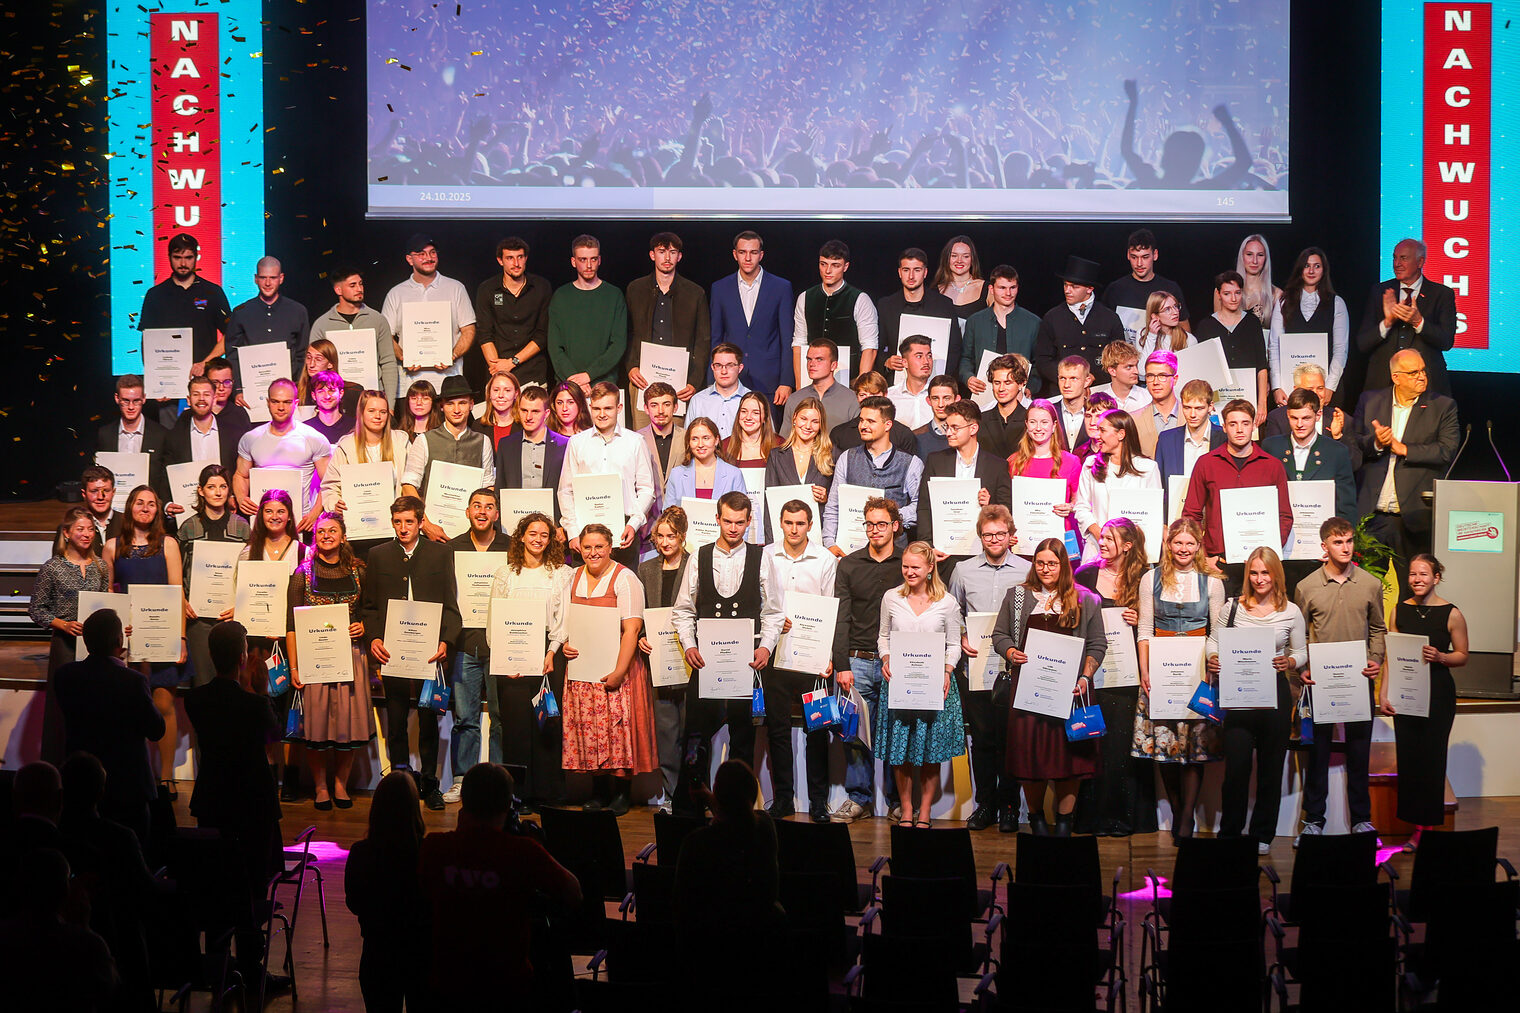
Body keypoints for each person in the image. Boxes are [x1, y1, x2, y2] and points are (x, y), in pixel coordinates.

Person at [418, 764, 582, 1005]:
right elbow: (573, 893)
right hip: (509, 987)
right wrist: (539, 848)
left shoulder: (434, 847)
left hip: (447, 985)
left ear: (464, 801)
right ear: (508, 804)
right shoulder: (524, 852)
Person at [183, 620, 285, 993]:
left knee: (215, 882)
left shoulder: (195, 700)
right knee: (254, 887)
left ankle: (219, 965)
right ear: (243, 657)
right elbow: (274, 734)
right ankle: (252, 972)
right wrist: (260, 690)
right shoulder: (255, 704)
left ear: (211, 655)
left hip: (214, 800)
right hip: (253, 804)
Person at [671, 494, 782, 813]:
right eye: (728, 521)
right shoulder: (700, 556)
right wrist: (689, 645)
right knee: (695, 737)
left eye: (740, 522)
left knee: (743, 739)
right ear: (717, 519)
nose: (733, 528)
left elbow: (774, 612)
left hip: (745, 662)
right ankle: (690, 805)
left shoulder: (761, 558)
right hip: (705, 661)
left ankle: (737, 809)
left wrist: (766, 646)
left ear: (749, 522)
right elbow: (683, 610)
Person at [992, 538, 1106, 837]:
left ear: (1063, 565)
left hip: (1071, 692)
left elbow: (1097, 644)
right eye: (1040, 563)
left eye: (1052, 563)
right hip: (1028, 692)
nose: (1045, 569)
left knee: (1070, 759)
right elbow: (999, 635)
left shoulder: (1086, 598)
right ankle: (1036, 818)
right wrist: (1010, 652)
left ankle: (1065, 821)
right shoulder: (1017, 596)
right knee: (1030, 758)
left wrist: (1085, 677)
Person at [362, 495, 462, 811]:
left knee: (429, 717)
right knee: (395, 720)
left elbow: (451, 604)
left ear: (420, 522)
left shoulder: (441, 553)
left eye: (409, 522)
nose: (403, 528)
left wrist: (446, 641)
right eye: (398, 522)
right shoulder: (378, 555)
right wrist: (374, 638)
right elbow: (369, 606)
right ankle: (400, 783)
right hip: (392, 650)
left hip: (428, 650)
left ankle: (430, 784)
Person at [550, 523, 657, 815]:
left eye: (599, 547)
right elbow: (567, 622)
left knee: (617, 729)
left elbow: (631, 629)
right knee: (590, 730)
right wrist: (567, 643)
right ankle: (598, 791)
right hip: (583, 670)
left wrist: (620, 672)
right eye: (587, 547)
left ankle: (621, 793)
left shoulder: (625, 578)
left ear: (610, 548)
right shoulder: (573, 577)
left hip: (616, 667)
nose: (593, 552)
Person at [1207, 545, 1307, 853]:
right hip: (1238, 695)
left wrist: (1290, 662)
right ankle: (1230, 834)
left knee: (1271, 769)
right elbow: (1213, 641)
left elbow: (1301, 651)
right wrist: (1213, 658)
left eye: (1265, 572)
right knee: (1236, 770)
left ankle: (1263, 835)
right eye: (1254, 572)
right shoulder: (1232, 608)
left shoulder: (1291, 611)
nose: (1259, 578)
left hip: (1275, 693)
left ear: (1276, 575)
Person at [1295, 517, 1387, 845]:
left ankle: (1361, 820)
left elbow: (1378, 628)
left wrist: (1376, 658)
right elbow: (1300, 634)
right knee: (1318, 753)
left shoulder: (1370, 584)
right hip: (1321, 682)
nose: (1345, 547)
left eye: (1348, 541)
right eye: (1338, 542)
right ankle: (1313, 821)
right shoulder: (1306, 586)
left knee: (1359, 752)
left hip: (1358, 679)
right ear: (1325, 546)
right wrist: (1304, 666)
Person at [1134, 519, 1226, 843]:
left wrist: (1211, 669)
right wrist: (1145, 671)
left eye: (1190, 543)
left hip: (1197, 669)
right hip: (1162, 668)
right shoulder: (1151, 579)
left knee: (1194, 747)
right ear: (1169, 545)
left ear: (1198, 546)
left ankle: (1187, 818)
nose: (1184, 549)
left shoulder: (1212, 583)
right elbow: (1145, 630)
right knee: (1165, 744)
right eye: (1178, 543)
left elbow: (1217, 632)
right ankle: (1176, 810)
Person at [673, 759, 785, 1008]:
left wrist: (709, 800)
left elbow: (683, 908)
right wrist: (713, 800)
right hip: (760, 955)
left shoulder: (696, 844)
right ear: (753, 795)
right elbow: (741, 819)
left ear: (718, 794)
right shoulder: (764, 829)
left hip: (707, 963)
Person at [1073, 518, 1157, 837]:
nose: (1103, 542)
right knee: (1093, 744)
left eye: (1110, 538)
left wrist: (1141, 619)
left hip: (1127, 674)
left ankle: (1123, 818)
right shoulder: (1085, 574)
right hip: (1093, 673)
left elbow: (1157, 623)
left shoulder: (1144, 578)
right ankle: (1092, 819)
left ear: (1128, 545)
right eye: (1103, 537)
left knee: (1121, 747)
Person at [948, 505, 1029, 832]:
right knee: (981, 740)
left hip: (1014, 670)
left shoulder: (1027, 570)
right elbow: (952, 612)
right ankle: (985, 805)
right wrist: (961, 635)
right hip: (976, 668)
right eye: (987, 534)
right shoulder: (963, 570)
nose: (994, 539)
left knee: (1011, 740)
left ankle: (1010, 806)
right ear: (980, 536)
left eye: (1000, 534)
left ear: (1010, 535)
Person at [1353, 349, 1460, 593]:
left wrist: (1404, 449)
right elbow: (1355, 444)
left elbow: (1447, 450)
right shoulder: (1370, 400)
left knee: (1413, 592)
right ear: (1396, 377)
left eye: (1423, 370)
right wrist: (1376, 443)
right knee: (1362, 590)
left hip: (1412, 517)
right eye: (1413, 372)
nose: (1422, 376)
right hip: (1372, 517)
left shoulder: (1442, 406)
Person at [1381, 554, 1469, 852]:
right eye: (1413, 574)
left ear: (1436, 577)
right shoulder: (1399, 611)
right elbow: (1392, 656)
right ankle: (1414, 826)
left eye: (1423, 574)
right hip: (1406, 694)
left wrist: (1441, 657)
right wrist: (1384, 693)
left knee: (1432, 761)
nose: (1417, 579)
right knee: (1410, 761)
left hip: (1439, 696)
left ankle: (1425, 830)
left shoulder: (1452, 613)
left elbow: (1462, 655)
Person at [287, 511, 374, 809]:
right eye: (321, 531)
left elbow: (371, 612)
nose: (326, 535)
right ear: (315, 537)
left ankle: (340, 784)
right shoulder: (302, 573)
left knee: (349, 724)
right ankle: (321, 786)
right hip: (314, 658)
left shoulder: (358, 571)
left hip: (351, 657)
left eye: (332, 530)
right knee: (317, 724)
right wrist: (294, 666)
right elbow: (291, 624)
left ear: (343, 536)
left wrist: (363, 626)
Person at [52, 608, 163, 842]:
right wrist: (145, 685)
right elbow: (156, 730)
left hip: (81, 784)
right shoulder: (133, 680)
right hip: (127, 788)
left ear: (86, 641)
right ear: (119, 641)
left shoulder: (65, 675)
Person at [876, 540, 965, 827]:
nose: (909, 572)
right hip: (898, 683)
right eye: (905, 566)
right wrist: (886, 658)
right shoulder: (891, 598)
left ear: (929, 568)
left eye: (915, 567)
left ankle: (924, 811)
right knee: (899, 750)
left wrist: (947, 670)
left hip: (934, 685)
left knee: (930, 750)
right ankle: (905, 808)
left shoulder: (947, 602)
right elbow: (883, 636)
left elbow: (954, 644)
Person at [760, 499, 838, 821]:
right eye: (789, 523)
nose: (794, 529)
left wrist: (828, 656)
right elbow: (763, 601)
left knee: (816, 729)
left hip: (813, 656)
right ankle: (783, 800)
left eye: (800, 523)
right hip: (777, 653)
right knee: (777, 730)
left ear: (810, 525)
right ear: (780, 522)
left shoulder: (824, 559)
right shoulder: (766, 555)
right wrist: (774, 624)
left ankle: (818, 802)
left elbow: (831, 606)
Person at [104, 485, 185, 792]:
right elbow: (108, 594)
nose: (146, 508)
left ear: (157, 511)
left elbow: (178, 593)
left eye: (151, 504)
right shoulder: (112, 546)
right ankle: (135, 776)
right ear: (130, 507)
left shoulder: (168, 544)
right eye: (140, 502)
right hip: (127, 640)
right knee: (128, 710)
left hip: (162, 636)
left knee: (164, 705)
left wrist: (181, 638)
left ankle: (166, 777)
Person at [831, 497, 906, 822]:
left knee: (894, 732)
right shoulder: (849, 565)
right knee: (854, 734)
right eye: (870, 524)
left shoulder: (907, 562)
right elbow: (841, 618)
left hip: (897, 662)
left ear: (895, 526)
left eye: (881, 524)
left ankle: (897, 800)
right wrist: (842, 665)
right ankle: (858, 799)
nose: (875, 530)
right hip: (857, 660)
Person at [489, 512, 571, 808]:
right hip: (512, 654)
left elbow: (563, 619)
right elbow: (493, 620)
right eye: (532, 533)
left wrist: (552, 651)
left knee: (546, 724)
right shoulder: (505, 574)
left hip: (549, 654)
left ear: (551, 540)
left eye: (544, 535)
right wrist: (505, 659)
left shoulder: (560, 573)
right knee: (516, 727)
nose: (538, 539)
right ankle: (519, 794)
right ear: (521, 536)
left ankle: (548, 794)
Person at [1182, 398, 1293, 595]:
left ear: (1254, 426)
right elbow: (1191, 514)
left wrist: (1270, 552)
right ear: (1224, 427)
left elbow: (1284, 516)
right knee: (1220, 614)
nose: (1239, 429)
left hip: (1261, 565)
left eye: (1245, 423)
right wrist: (1203, 556)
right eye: (1233, 424)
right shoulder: (1206, 463)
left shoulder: (1272, 465)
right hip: (1219, 562)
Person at [30, 507, 111, 766]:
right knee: (63, 708)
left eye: (90, 529)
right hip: (65, 646)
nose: (86, 534)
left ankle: (91, 768)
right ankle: (59, 767)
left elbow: (107, 605)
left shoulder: (100, 566)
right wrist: (63, 625)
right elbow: (36, 609)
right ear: (66, 533)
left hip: (94, 649)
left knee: (94, 706)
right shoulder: (52, 567)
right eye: (80, 529)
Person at [239, 489, 307, 798]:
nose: (275, 516)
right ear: (260, 516)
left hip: (292, 644)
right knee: (262, 713)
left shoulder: (304, 552)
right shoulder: (247, 552)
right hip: (257, 646)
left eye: (281, 511)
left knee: (290, 712)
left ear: (290, 516)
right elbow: (239, 597)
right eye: (268, 511)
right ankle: (267, 774)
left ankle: (291, 777)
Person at [444, 489, 511, 800]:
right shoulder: (452, 548)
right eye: (477, 506)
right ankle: (462, 779)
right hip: (463, 644)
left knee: (500, 717)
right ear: (468, 511)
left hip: (501, 644)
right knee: (465, 718)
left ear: (496, 514)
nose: (482, 511)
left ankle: (500, 782)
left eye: (489, 506)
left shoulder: (510, 547)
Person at [344, 770, 430, 1013]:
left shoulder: (361, 852)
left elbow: (353, 902)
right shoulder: (427, 852)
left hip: (377, 952)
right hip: (420, 955)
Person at [0, 847, 119, 1012]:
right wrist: (84, 927)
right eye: (70, 879)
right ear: (65, 890)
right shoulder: (85, 944)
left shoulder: (6, 936)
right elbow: (110, 989)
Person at [1261, 388, 1358, 584]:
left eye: (1306, 418)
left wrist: (1337, 546)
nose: (1299, 424)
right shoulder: (1271, 447)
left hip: (1320, 553)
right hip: (1281, 550)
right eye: (1294, 418)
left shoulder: (1336, 451)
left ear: (1318, 415)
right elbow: (1263, 495)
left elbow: (1346, 504)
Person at [558, 381, 657, 570]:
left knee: (624, 585)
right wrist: (572, 532)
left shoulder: (635, 442)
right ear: (590, 407)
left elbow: (646, 489)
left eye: (608, 408)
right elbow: (565, 490)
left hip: (624, 530)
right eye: (597, 408)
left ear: (619, 408)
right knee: (585, 586)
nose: (602, 414)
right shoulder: (577, 443)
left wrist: (633, 524)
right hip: (585, 529)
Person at [136, 233, 231, 420]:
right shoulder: (155, 295)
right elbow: (147, 342)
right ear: (169, 257)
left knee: (207, 434)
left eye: (188, 257)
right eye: (177, 257)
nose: (183, 263)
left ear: (196, 257)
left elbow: (231, 335)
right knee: (171, 437)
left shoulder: (213, 292)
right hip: (169, 390)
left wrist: (205, 363)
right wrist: (156, 382)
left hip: (205, 385)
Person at [637, 506, 692, 811]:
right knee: (666, 733)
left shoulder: (695, 565)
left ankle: (693, 794)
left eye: (671, 536)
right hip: (659, 661)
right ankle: (671, 795)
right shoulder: (646, 569)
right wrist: (642, 637)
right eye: (660, 536)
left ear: (682, 536)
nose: (665, 542)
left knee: (691, 732)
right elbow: (641, 612)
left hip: (690, 659)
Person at [380, 233, 476, 405]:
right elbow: (386, 335)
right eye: (421, 254)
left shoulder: (455, 288)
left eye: (432, 252)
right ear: (409, 259)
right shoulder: (396, 293)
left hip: (449, 386)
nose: (429, 258)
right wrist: (404, 357)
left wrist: (452, 355)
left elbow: (469, 330)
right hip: (410, 386)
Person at [918, 398, 1012, 573]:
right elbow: (924, 507)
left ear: (973, 428)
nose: (949, 433)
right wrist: (928, 546)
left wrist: (989, 506)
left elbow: (1007, 511)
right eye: (947, 427)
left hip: (982, 556)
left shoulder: (997, 466)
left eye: (955, 427)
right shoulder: (935, 461)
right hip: (943, 554)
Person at [1355, 238, 1459, 396]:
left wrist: (1419, 322)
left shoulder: (1442, 294)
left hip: (1426, 385)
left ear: (1420, 262)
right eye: (1395, 258)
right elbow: (1362, 343)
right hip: (1382, 386)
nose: (1397, 264)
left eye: (1403, 258)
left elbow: (1446, 341)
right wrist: (1387, 322)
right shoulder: (1380, 292)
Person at [400, 375, 497, 543]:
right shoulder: (424, 440)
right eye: (450, 403)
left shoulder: (483, 441)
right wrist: (426, 525)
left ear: (471, 404)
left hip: (472, 533)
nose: (456, 409)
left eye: (462, 403)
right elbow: (408, 486)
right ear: (441, 406)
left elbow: (488, 487)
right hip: (431, 532)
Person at [177, 464, 251, 684]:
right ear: (201, 491)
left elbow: (250, 575)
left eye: (223, 486)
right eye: (211, 487)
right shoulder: (188, 527)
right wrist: (182, 600)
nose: (218, 492)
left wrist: (240, 606)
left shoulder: (242, 527)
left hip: (231, 618)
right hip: (198, 619)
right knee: (203, 682)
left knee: (232, 682)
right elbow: (177, 572)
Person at [626, 232, 710, 418]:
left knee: (676, 434)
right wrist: (631, 366)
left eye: (672, 252)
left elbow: (702, 341)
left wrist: (694, 381)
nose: (667, 258)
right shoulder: (635, 289)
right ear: (652, 255)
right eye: (662, 252)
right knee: (642, 433)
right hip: (643, 379)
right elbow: (628, 333)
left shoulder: (695, 293)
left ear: (679, 256)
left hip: (680, 383)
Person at [232, 377, 331, 532]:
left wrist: (314, 513)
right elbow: (241, 475)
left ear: (296, 403)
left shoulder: (313, 438)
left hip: (299, 523)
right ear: (268, 402)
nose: (280, 407)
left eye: (287, 402)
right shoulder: (251, 438)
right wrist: (241, 498)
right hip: (262, 522)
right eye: (275, 401)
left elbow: (329, 482)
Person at [824, 397, 922, 552]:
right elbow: (834, 505)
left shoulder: (910, 463)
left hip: (895, 553)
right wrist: (829, 542)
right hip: (852, 549)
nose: (863, 426)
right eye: (861, 420)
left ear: (887, 425)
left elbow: (920, 506)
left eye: (870, 421)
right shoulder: (847, 458)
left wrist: (889, 517)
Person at [321, 390, 411, 558]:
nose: (378, 416)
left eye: (383, 412)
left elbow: (411, 483)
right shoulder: (346, 446)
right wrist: (335, 504)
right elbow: (330, 487)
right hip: (358, 533)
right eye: (372, 411)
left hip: (394, 530)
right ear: (361, 413)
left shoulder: (401, 442)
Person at [710, 230, 795, 409]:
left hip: (770, 381)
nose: (748, 258)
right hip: (731, 380)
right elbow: (716, 338)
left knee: (769, 427)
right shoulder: (720, 288)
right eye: (743, 252)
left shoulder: (781, 287)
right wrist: (712, 381)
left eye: (753, 252)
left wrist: (786, 381)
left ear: (761, 255)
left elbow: (787, 337)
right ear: (735, 254)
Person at [1074, 409, 1162, 565]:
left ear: (1121, 434)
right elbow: (1081, 507)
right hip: (1097, 549)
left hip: (1132, 553)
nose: (1097, 435)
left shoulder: (1148, 468)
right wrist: (1102, 536)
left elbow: (1153, 515)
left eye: (1102, 430)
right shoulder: (1090, 465)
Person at [309, 264, 401, 404]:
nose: (359, 289)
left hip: (372, 399)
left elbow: (388, 363)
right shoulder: (322, 324)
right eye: (353, 285)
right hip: (335, 400)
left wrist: (390, 405)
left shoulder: (377, 320)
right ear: (338, 290)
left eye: (360, 284)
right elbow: (315, 366)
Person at [1269, 247, 1351, 405]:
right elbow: (1274, 346)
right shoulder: (1284, 302)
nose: (1311, 271)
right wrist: (1277, 386)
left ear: (1324, 270)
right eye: (1307, 266)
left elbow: (1341, 349)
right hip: (1290, 389)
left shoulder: (1337, 303)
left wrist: (1329, 387)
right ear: (1300, 269)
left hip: (1326, 390)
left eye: (1317, 266)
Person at [792, 239, 879, 386]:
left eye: (835, 265)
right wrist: (800, 386)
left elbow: (869, 347)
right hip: (811, 381)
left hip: (850, 380)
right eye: (823, 264)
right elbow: (799, 345)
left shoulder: (860, 299)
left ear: (845, 266)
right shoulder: (805, 297)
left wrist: (861, 387)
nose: (828, 271)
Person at [547, 234, 627, 392]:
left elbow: (618, 345)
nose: (589, 265)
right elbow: (554, 347)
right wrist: (575, 379)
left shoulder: (614, 295)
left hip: (604, 385)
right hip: (568, 385)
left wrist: (589, 375)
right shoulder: (561, 296)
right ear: (573, 261)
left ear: (599, 260)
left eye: (593, 259)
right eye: (583, 259)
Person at [1036, 256, 1126, 389]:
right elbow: (1043, 360)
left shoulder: (1110, 318)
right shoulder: (1052, 318)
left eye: (1074, 286)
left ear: (1089, 289)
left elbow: (1119, 359)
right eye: (1065, 285)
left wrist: (1094, 377)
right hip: (1062, 391)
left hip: (1100, 390)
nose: (1067, 290)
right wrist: (1069, 379)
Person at [877, 247, 961, 387]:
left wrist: (942, 379)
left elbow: (955, 348)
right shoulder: (886, 305)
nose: (911, 276)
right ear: (899, 272)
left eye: (917, 270)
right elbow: (877, 347)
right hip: (897, 383)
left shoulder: (944, 305)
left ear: (925, 272)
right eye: (906, 270)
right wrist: (886, 362)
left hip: (937, 384)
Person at [474, 236, 551, 386]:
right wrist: (498, 371)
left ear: (526, 258)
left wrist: (512, 362)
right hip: (497, 371)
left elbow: (542, 335)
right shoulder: (487, 289)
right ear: (500, 260)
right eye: (510, 258)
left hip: (533, 372)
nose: (516, 263)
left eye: (520, 257)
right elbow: (484, 334)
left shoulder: (541, 287)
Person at [1194, 271, 1270, 425]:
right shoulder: (1206, 326)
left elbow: (1261, 366)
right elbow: (1203, 370)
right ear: (1218, 294)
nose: (1233, 299)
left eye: (1237, 293)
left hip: (1249, 396)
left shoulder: (1252, 323)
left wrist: (1262, 403)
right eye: (1227, 294)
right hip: (1218, 400)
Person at [497, 384, 570, 535]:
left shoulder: (564, 445)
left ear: (547, 413)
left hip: (553, 530)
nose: (528, 417)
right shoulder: (506, 445)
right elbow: (500, 489)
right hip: (514, 529)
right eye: (524, 410)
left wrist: (564, 526)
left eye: (535, 411)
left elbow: (568, 490)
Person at [960, 265, 1041, 399]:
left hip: (1019, 396)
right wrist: (968, 377)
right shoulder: (975, 321)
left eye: (1012, 288)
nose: (1008, 293)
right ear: (991, 289)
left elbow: (1039, 362)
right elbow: (966, 358)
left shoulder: (1033, 322)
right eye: (1002, 288)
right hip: (984, 393)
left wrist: (1031, 387)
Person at [226, 255, 309, 382]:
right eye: (263, 277)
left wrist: (297, 385)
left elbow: (302, 353)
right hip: (251, 385)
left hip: (289, 387)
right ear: (256, 279)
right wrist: (238, 388)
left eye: (273, 278)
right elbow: (232, 355)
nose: (268, 283)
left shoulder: (298, 311)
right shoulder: (241, 313)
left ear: (281, 278)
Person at [1261, 365, 1359, 472]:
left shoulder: (1339, 418)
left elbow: (1354, 464)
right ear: (1296, 390)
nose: (1316, 394)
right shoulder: (1277, 418)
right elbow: (1271, 464)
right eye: (1310, 389)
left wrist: (1338, 437)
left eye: (1320, 388)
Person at [1009, 398, 1081, 541]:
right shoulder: (1013, 462)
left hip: (1059, 538)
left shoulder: (1071, 461)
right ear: (1026, 424)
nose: (1038, 428)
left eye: (1044, 422)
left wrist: (1071, 506)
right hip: (1023, 540)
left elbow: (1081, 501)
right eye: (1033, 422)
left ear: (1054, 425)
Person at [1103, 229, 1192, 343]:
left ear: (1155, 255)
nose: (1139, 263)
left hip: (1161, 352)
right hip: (1124, 353)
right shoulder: (1115, 289)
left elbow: (1184, 329)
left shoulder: (1170, 289)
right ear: (1128, 255)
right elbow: (1104, 327)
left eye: (1145, 257)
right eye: (1134, 257)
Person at [765, 397, 834, 542]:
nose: (808, 426)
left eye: (815, 421)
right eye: (804, 419)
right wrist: (771, 543)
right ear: (794, 418)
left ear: (821, 425)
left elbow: (837, 505)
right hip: (783, 538)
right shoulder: (777, 456)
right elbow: (769, 504)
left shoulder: (832, 455)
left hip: (818, 537)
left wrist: (826, 498)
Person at [97, 373, 170, 505]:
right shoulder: (105, 434)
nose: (131, 407)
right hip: (115, 506)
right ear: (117, 398)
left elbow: (165, 478)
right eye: (126, 401)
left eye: (136, 401)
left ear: (144, 399)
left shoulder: (161, 435)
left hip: (149, 508)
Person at [165, 376, 243, 488]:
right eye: (196, 394)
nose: (201, 399)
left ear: (214, 399)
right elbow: (167, 475)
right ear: (188, 400)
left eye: (206, 394)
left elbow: (239, 473)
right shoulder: (175, 438)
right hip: (187, 497)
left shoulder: (233, 435)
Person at [778, 338, 859, 437]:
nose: (812, 364)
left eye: (819, 359)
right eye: (809, 359)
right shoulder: (795, 399)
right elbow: (785, 440)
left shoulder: (851, 399)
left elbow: (856, 441)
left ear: (833, 365)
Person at [686, 343, 751, 439]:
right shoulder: (698, 400)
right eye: (718, 365)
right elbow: (689, 439)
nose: (724, 371)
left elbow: (768, 438)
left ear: (740, 368)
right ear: (712, 367)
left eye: (730, 365)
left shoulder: (753, 400)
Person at [978, 353, 1032, 458]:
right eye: (997, 383)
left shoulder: (1030, 420)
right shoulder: (980, 420)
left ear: (1021, 384)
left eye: (1007, 383)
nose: (1001, 388)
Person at [1131, 349, 1182, 457]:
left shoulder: (1190, 416)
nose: (1155, 382)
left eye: (1162, 376)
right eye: (1150, 376)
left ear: (1175, 379)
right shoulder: (1134, 420)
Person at [1224, 234, 1282, 325]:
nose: (1255, 261)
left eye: (1260, 255)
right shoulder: (1224, 291)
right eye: (1249, 254)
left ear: (1266, 258)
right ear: (1242, 256)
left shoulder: (1276, 294)